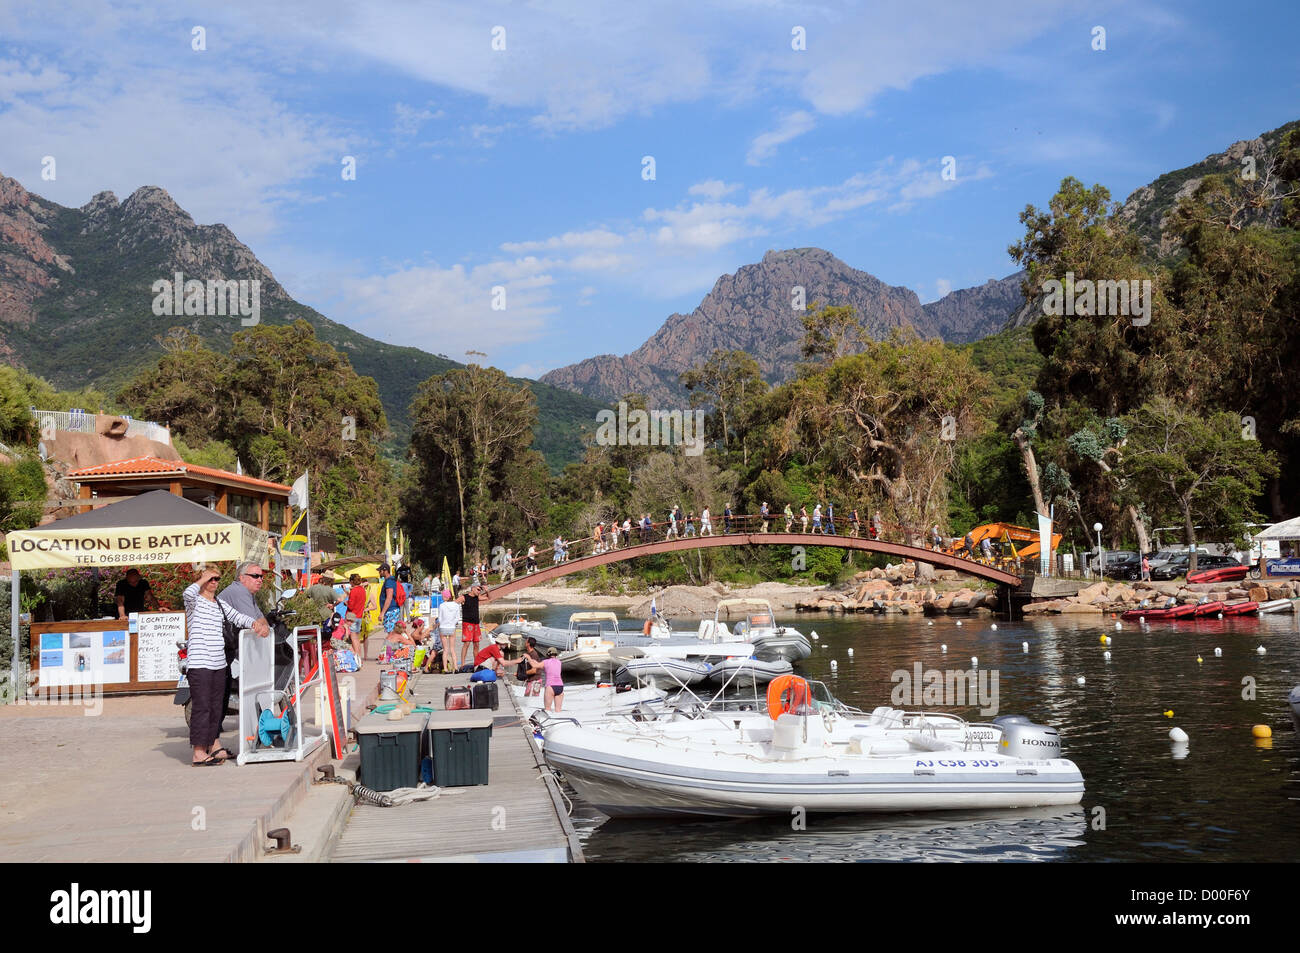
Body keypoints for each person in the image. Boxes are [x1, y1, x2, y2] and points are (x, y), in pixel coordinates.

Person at [184, 567, 268, 766]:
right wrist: (203, 576)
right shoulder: (194, 602)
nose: (214, 582)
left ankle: (214, 746)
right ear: (201, 579)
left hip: (219, 662)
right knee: (202, 707)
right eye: (210, 578)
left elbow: (238, 617)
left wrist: (255, 625)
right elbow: (187, 593)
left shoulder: (219, 603)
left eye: (217, 579)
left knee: (216, 707)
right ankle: (198, 752)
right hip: (200, 663)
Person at [523, 647, 565, 712]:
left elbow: (534, 665)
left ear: (547, 654)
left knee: (547, 710)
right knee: (558, 710)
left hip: (550, 686)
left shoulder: (545, 662)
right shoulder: (559, 662)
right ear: (556, 654)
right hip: (560, 686)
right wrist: (533, 660)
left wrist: (528, 657)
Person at [458, 583, 485, 668]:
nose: (479, 591)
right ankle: (462, 664)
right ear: (472, 588)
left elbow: (489, 598)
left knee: (476, 644)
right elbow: (454, 603)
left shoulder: (477, 598)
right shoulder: (464, 597)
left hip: (476, 623)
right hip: (467, 623)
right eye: (478, 589)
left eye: (480, 590)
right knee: (467, 643)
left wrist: (487, 591)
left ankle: (476, 663)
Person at [436, 588, 461, 673]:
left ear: (447, 597)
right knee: (452, 649)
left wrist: (442, 623)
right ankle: (456, 667)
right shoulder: (456, 605)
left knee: (445, 649)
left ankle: (446, 669)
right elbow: (457, 618)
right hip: (452, 627)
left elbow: (439, 618)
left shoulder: (442, 605)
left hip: (443, 627)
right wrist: (452, 623)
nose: (442, 597)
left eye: (443, 596)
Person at [345, 573, 369, 659]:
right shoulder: (362, 590)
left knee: (353, 638)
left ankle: (357, 657)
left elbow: (351, 606)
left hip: (352, 617)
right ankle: (359, 657)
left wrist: (346, 603)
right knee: (357, 638)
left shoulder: (354, 591)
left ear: (352, 581)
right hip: (359, 616)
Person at [377, 563, 401, 635]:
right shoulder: (391, 580)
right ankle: (396, 646)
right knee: (394, 633)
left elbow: (389, 598)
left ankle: (393, 646)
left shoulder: (389, 581)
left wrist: (382, 613)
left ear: (385, 571)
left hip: (390, 610)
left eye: (380, 571)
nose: (379, 573)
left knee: (391, 634)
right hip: (392, 610)